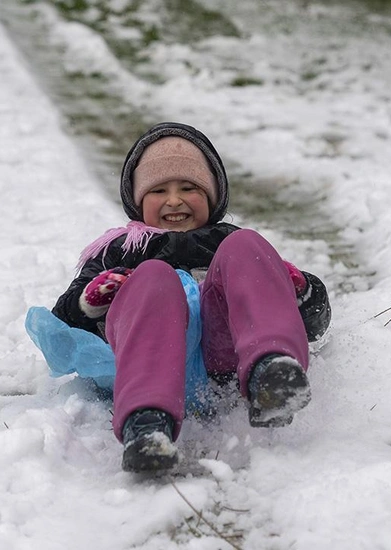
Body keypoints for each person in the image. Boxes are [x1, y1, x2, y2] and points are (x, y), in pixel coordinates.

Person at [47, 122, 330, 473]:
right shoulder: (119, 249)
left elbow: (315, 321)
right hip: (150, 362)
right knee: (152, 276)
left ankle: (272, 373)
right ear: (137, 201)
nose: (175, 200)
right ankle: (147, 427)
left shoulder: (232, 243)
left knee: (248, 247)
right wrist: (89, 303)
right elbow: (62, 327)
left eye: (189, 187)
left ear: (212, 197)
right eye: (159, 190)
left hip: (224, 361)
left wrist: (299, 289)